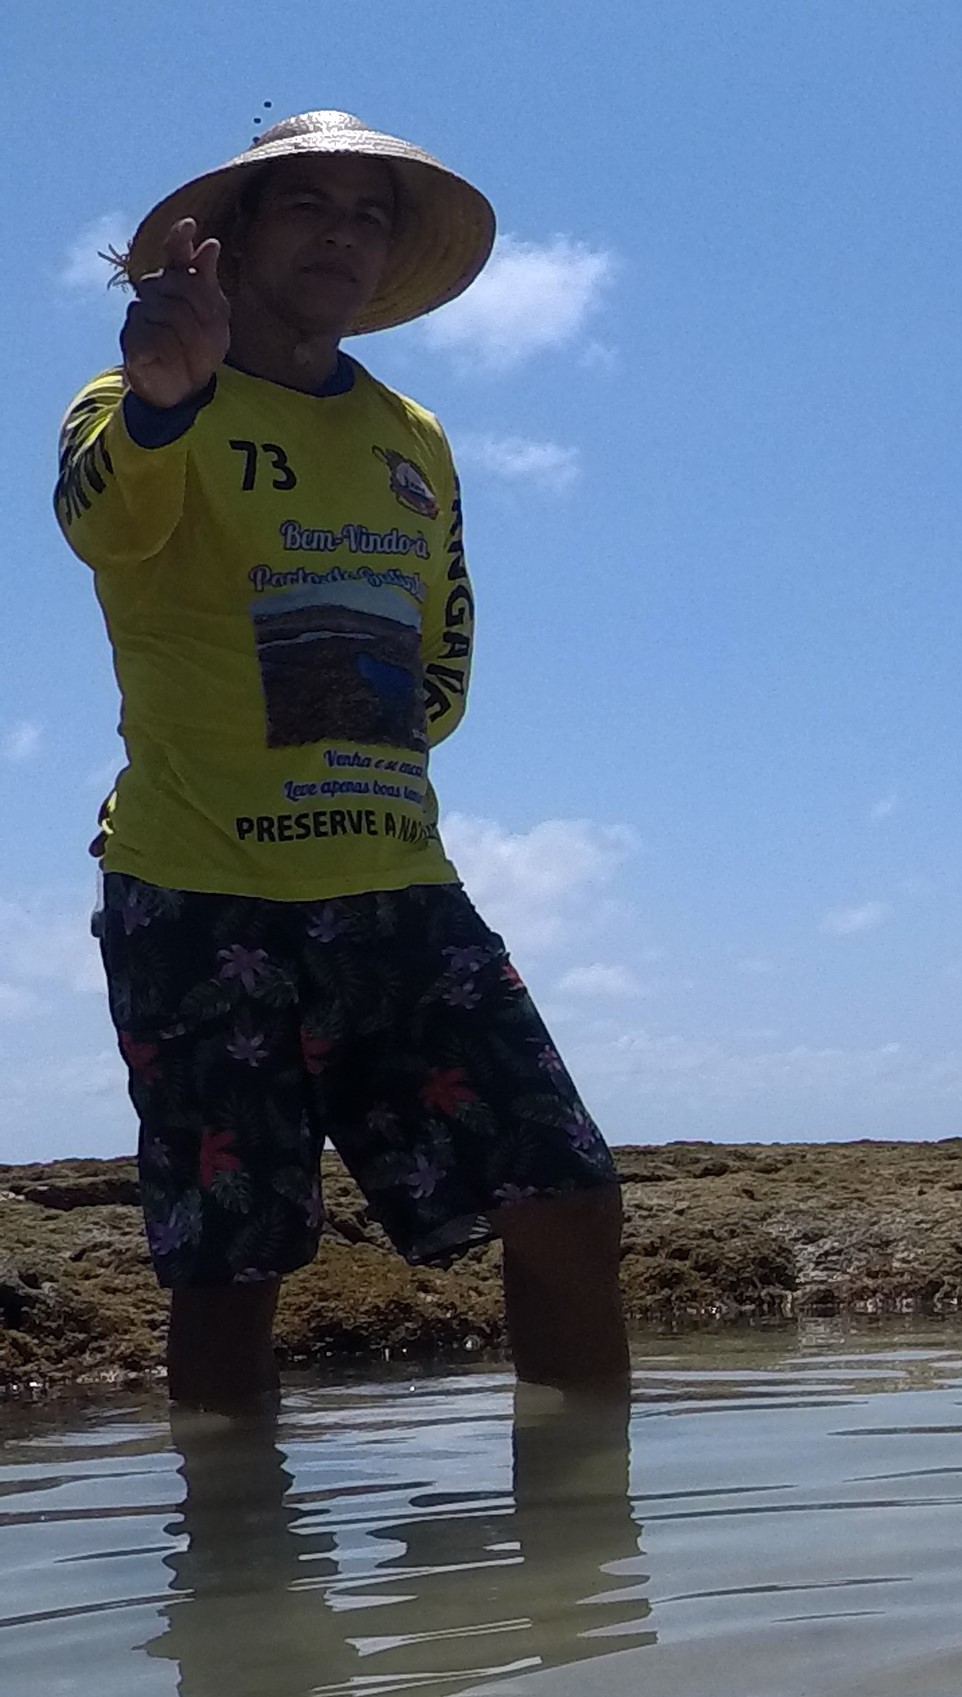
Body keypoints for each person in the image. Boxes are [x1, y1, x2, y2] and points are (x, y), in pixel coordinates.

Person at [55, 111, 628, 1416]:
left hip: (397, 890)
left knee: (570, 1198)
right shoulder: (135, 399)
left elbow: (442, 658)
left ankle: (585, 1579)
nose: (343, 232)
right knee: (230, 1262)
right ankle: (236, 1590)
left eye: (369, 213)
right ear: (236, 238)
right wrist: (160, 403)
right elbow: (105, 520)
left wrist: (341, 724)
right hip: (197, 892)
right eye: (308, 203)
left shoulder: (414, 438)